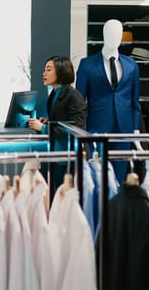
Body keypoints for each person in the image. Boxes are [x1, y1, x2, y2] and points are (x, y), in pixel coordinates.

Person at [76, 19, 141, 183]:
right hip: (96, 129)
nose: (115, 37)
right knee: (98, 178)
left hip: (124, 130)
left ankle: (114, 208)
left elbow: (134, 102)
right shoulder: (87, 64)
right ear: (104, 35)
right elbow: (79, 102)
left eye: (118, 34)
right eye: (111, 33)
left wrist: (136, 130)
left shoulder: (131, 64)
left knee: (119, 179)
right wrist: (82, 132)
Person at [27, 56, 87, 198]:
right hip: (57, 154)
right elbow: (61, 119)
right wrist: (48, 122)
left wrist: (43, 128)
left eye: (48, 69)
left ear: (61, 71)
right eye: (44, 70)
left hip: (69, 157)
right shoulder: (54, 93)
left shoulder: (74, 96)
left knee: (67, 199)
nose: (44, 73)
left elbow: (76, 126)